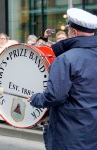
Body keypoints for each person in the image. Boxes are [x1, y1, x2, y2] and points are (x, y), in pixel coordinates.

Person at [28, 8, 97, 150]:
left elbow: (54, 96)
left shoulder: (65, 59)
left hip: (69, 134)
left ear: (74, 32)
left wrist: (35, 98)